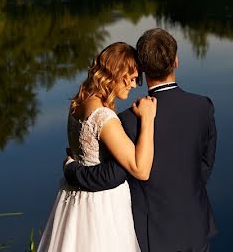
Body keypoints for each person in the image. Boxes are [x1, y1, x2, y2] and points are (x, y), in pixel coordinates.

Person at [64, 28, 217, 252]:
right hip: (196, 226)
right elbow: (206, 162)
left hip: (151, 232)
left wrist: (72, 170)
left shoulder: (128, 120)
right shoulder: (203, 107)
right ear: (176, 61)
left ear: (142, 69)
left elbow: (111, 175)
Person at [37, 42, 157, 252]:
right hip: (101, 207)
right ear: (115, 73)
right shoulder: (103, 117)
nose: (134, 83)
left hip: (75, 200)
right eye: (131, 77)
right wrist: (148, 119)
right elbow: (141, 169)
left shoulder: (78, 104)